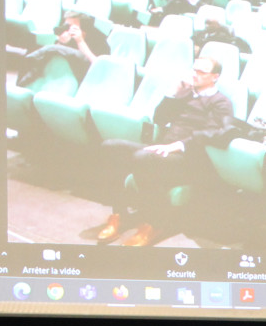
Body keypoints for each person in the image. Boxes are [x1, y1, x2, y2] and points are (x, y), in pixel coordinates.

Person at [96, 57, 233, 247]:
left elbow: (214, 135)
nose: (195, 74)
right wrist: (174, 94)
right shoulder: (184, 95)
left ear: (215, 77)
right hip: (163, 151)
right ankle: (119, 214)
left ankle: (154, 224)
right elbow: (159, 119)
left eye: (202, 72)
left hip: (188, 159)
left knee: (142, 158)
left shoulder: (221, 102)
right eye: (194, 69)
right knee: (110, 146)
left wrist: (176, 146)